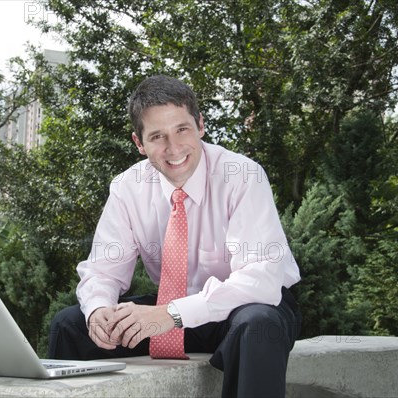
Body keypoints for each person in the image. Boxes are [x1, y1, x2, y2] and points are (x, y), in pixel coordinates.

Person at [49, 75, 302, 397]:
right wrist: (99, 310)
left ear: (200, 125)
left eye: (182, 129)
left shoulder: (242, 175)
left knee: (257, 323)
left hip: (248, 308)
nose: (173, 148)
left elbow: (261, 279)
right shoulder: (128, 188)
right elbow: (103, 271)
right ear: (139, 143)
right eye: (157, 136)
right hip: (173, 313)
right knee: (70, 324)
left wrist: (172, 314)